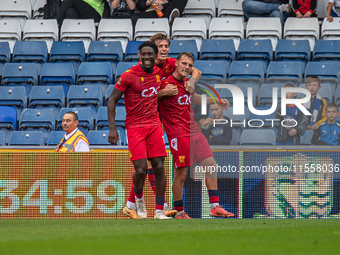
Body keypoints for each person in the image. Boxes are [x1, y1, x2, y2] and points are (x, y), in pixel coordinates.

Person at [123, 33, 202, 219]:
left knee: (156, 163)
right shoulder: (144, 68)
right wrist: (163, 92)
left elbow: (195, 70)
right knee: (149, 164)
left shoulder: (170, 63)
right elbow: (142, 94)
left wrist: (191, 80)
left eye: (166, 46)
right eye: (160, 46)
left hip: (160, 116)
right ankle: (156, 205)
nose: (164, 49)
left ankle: (137, 205)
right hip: (146, 117)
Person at [158, 52, 235, 219]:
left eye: (190, 65)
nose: (187, 67)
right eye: (184, 63)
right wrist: (162, 93)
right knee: (182, 175)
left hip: (195, 132)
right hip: (178, 135)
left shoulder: (187, 83)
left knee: (210, 165)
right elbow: (148, 100)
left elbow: (196, 99)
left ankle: (214, 206)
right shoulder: (165, 84)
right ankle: (179, 212)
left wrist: (217, 101)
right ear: (176, 63)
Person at [107, 41, 169, 219]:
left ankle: (159, 211)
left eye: (151, 54)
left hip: (154, 125)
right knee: (140, 170)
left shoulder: (159, 73)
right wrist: (113, 128)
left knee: (159, 167)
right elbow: (112, 100)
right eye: (145, 54)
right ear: (139, 55)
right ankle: (139, 203)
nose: (148, 57)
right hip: (134, 127)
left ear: (155, 56)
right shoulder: (128, 75)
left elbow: (180, 65)